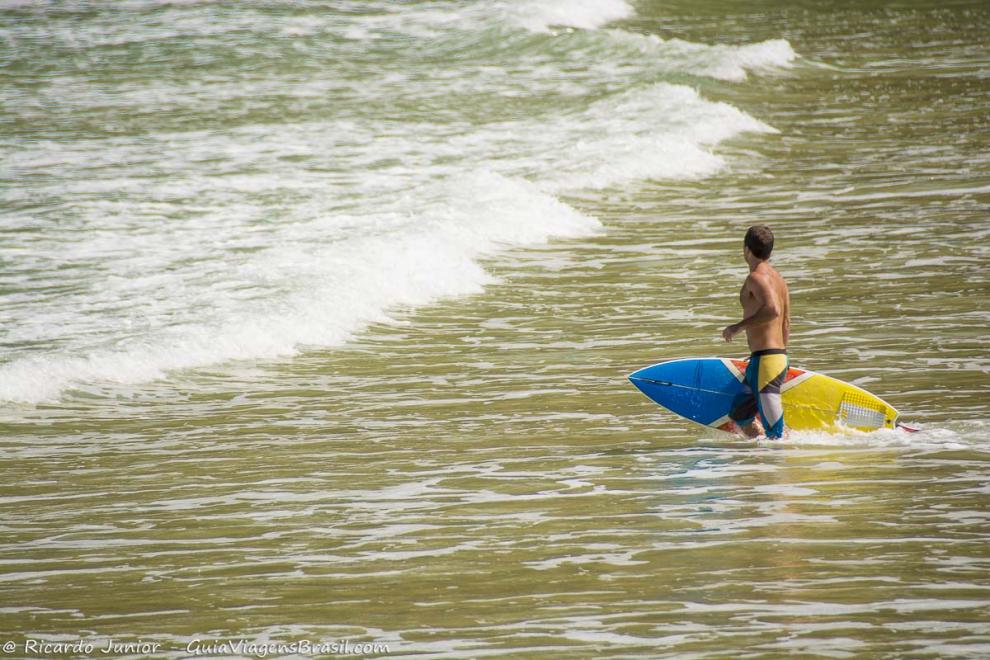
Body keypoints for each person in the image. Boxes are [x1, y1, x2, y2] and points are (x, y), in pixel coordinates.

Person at [721, 225, 791, 439]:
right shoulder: (778, 279)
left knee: (777, 437)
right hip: (766, 360)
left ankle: (784, 463)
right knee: (740, 415)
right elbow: (786, 321)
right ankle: (759, 464)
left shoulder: (756, 278)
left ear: (746, 249)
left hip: (767, 362)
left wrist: (737, 327)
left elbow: (773, 311)